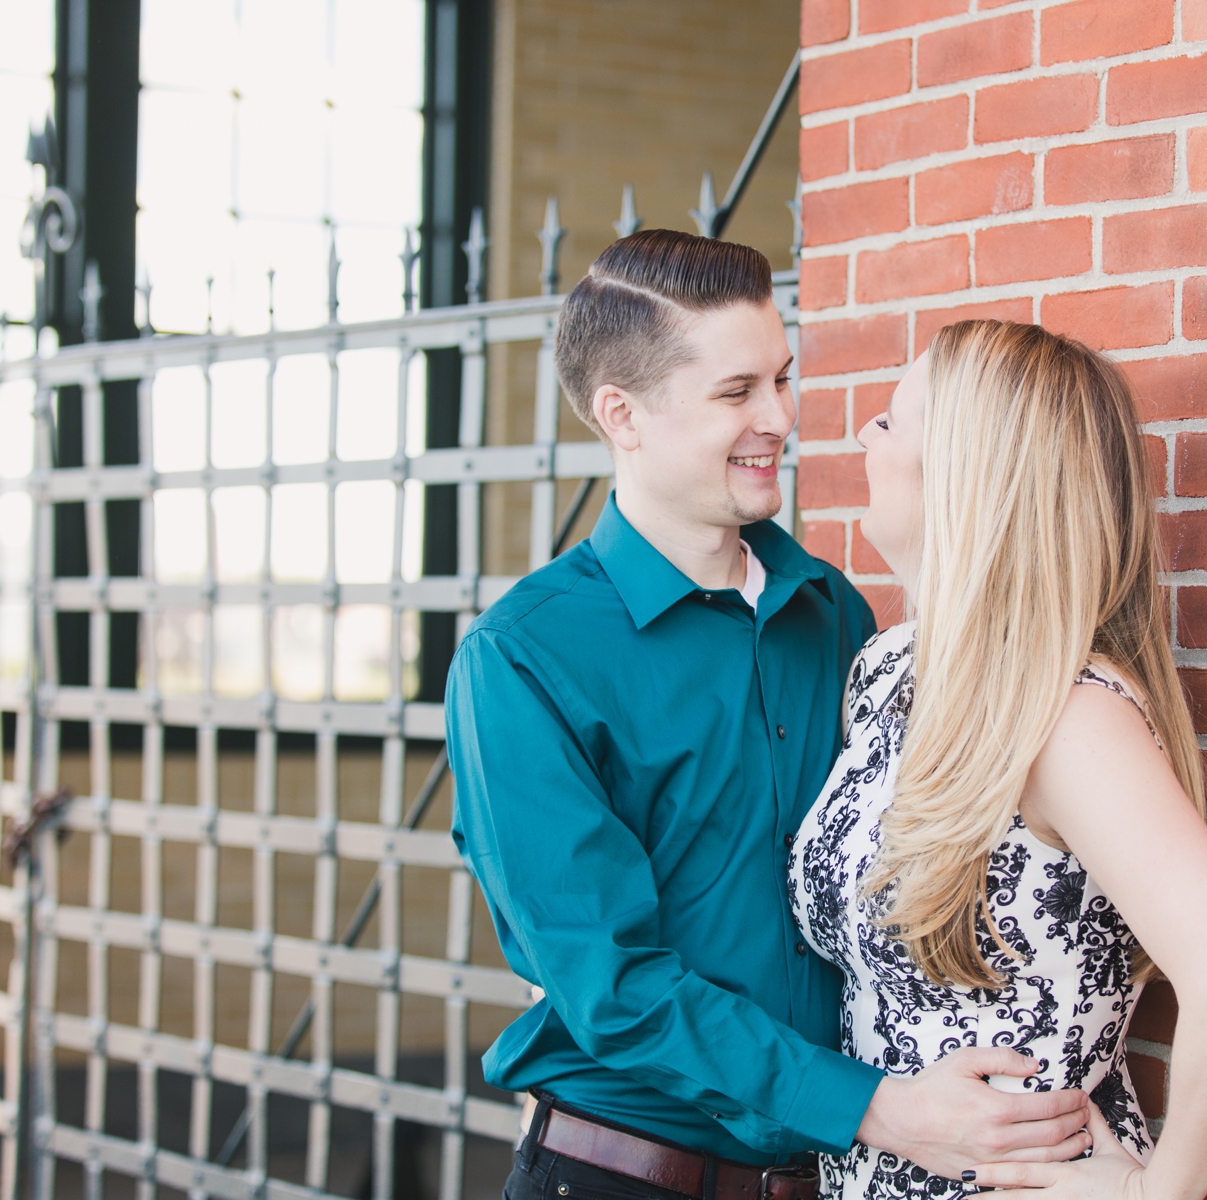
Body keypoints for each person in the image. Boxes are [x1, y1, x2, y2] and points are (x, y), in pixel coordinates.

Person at [445, 233, 1094, 1200]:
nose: (780, 419)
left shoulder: (835, 614)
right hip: (623, 1176)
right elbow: (611, 987)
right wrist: (876, 1106)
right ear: (622, 414)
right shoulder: (523, 659)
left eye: (782, 381)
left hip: (833, 1176)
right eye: (736, 392)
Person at [788, 320, 1207, 1200]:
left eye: (891, 420)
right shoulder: (886, 671)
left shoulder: (1067, 716)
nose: (862, 436)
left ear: (964, 476)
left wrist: (1152, 1192)